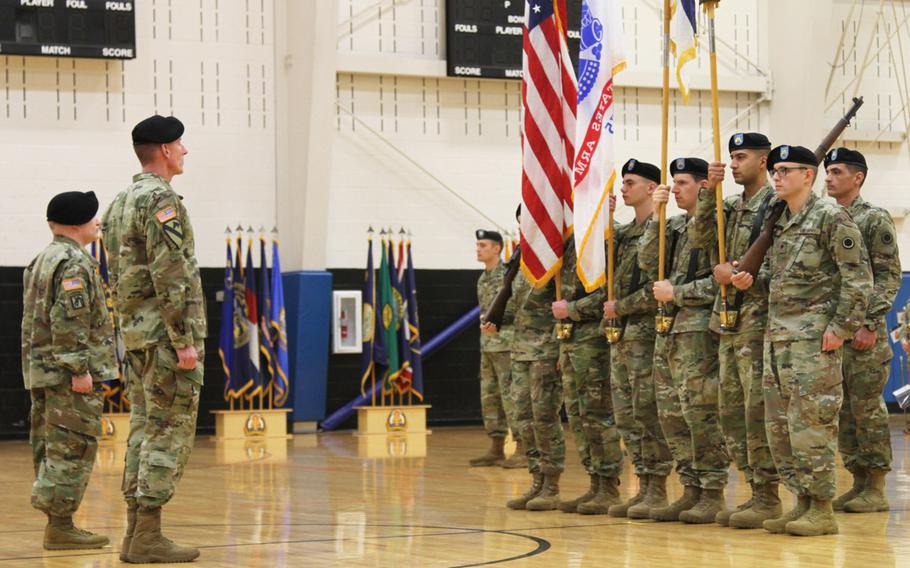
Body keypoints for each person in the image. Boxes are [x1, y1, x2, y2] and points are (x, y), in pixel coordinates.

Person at [731, 144, 872, 536]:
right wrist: (749, 281)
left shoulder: (830, 217)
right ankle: (801, 502)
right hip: (777, 340)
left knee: (812, 426)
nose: (776, 177)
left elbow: (859, 279)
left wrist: (841, 328)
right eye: (774, 170)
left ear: (808, 175)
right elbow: (776, 284)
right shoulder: (779, 223)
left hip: (814, 344)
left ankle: (822, 508)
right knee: (781, 429)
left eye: (786, 170)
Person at [102, 115, 207, 563]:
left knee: (143, 430)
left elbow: (118, 275)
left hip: (137, 336)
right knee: (168, 432)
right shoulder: (162, 201)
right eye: (180, 144)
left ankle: (134, 533)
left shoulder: (119, 202)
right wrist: (183, 337)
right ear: (164, 150)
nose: (185, 151)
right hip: (166, 338)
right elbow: (170, 272)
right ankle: (147, 535)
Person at [693, 133, 782, 528]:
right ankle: (751, 489)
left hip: (759, 319)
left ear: (763, 162)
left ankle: (768, 495)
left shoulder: (777, 205)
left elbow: (781, 260)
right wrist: (707, 193)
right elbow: (699, 239)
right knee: (730, 413)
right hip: (727, 319)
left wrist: (742, 274)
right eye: (731, 156)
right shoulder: (726, 205)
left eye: (741, 157)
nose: (733, 164)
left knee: (756, 410)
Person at [22, 191, 117, 550]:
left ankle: (59, 523)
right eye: (93, 217)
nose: (98, 222)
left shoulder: (42, 259)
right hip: (67, 375)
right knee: (71, 448)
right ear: (77, 223)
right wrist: (79, 368)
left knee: (51, 447)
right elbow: (70, 319)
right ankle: (61, 526)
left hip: (45, 371)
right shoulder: (74, 262)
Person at [638, 157, 730, 524]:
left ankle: (712, 491)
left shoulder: (717, 224)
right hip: (669, 332)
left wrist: (677, 292)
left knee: (700, 414)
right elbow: (647, 262)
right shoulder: (673, 226)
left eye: (682, 183)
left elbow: (720, 281)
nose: (674, 189)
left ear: (703, 187)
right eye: (672, 183)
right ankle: (689, 488)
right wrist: (657, 213)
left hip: (696, 333)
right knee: (672, 416)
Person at [823, 147, 899, 514]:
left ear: (858, 177)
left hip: (865, 334)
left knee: (867, 409)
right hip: (835, 331)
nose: (829, 178)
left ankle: (876, 484)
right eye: (827, 172)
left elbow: (887, 277)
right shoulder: (826, 218)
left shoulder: (873, 219)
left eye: (837, 171)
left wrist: (869, 323)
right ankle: (857, 479)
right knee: (844, 411)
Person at [603, 159, 673, 519]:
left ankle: (658, 487)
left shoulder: (665, 229)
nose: (624, 189)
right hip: (621, 336)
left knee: (648, 412)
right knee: (626, 415)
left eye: (630, 182)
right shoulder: (625, 233)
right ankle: (643, 483)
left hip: (647, 333)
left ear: (651, 188)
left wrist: (622, 306)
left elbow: (654, 287)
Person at [493, 207, 564, 511]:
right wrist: (497, 317)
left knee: (544, 418)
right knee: (523, 418)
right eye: (522, 220)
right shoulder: (521, 260)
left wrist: (562, 345)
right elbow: (518, 307)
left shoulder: (553, 258)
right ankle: (535, 480)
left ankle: (551, 484)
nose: (525, 225)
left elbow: (562, 302)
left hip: (546, 348)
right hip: (520, 350)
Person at [552, 236, 623, 515]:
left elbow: (608, 292)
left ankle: (608, 486)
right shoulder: (571, 244)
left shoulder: (604, 238)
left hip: (594, 341)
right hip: (570, 341)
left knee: (597, 414)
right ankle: (594, 482)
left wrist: (570, 310)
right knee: (578, 417)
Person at [471, 229, 523, 468]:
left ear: (497, 248)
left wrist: (496, 319)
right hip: (488, 346)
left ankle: (522, 447)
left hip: (505, 344)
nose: (478, 249)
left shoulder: (507, 275)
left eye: (483, 245)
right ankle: (496, 446)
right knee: (489, 397)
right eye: (478, 245)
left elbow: (515, 309)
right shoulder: (483, 278)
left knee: (511, 397)